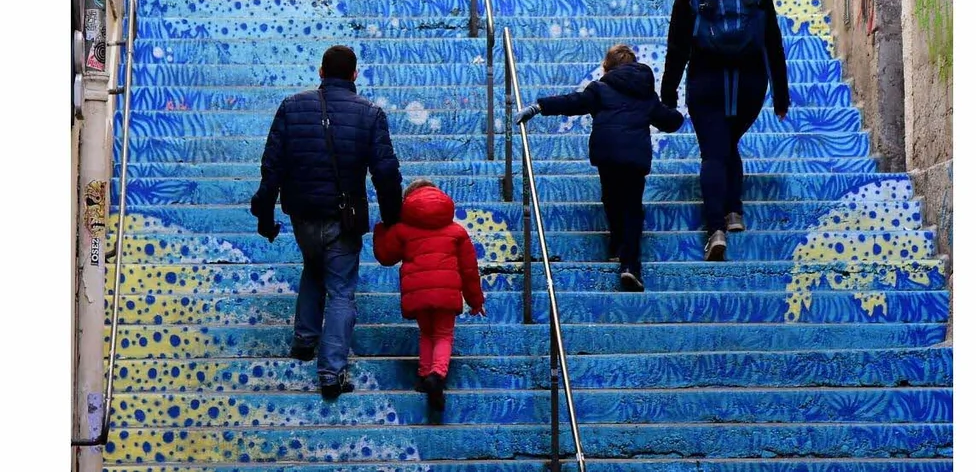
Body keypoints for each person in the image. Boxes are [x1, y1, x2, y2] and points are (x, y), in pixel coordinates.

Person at [250, 45, 404, 400]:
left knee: (313, 264)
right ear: (354, 74)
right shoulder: (370, 114)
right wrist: (392, 216)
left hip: (302, 213)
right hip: (344, 216)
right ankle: (331, 371)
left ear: (321, 72)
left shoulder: (291, 107)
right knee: (341, 290)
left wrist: (265, 212)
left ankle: (304, 340)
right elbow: (385, 172)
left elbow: (272, 165)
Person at [659, 0, 791, 261]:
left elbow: (677, 50)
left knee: (714, 153)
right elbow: (774, 46)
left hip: (707, 83)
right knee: (728, 142)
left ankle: (715, 229)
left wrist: (668, 92)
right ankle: (734, 212)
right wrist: (780, 95)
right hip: (750, 85)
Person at [514, 45, 684, 292]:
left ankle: (617, 246)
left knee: (611, 199)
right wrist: (673, 105)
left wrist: (539, 107)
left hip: (607, 153)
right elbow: (670, 122)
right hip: (635, 156)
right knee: (632, 208)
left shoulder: (600, 89)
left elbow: (573, 102)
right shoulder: (646, 94)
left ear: (607, 66)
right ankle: (629, 265)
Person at [372, 179, 486, 413]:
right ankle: (437, 374)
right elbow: (469, 270)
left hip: (418, 293)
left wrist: (382, 229)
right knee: (443, 334)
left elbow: (386, 256)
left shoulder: (403, 230)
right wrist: (475, 301)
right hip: (447, 292)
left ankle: (424, 375)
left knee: (426, 332)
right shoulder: (457, 231)